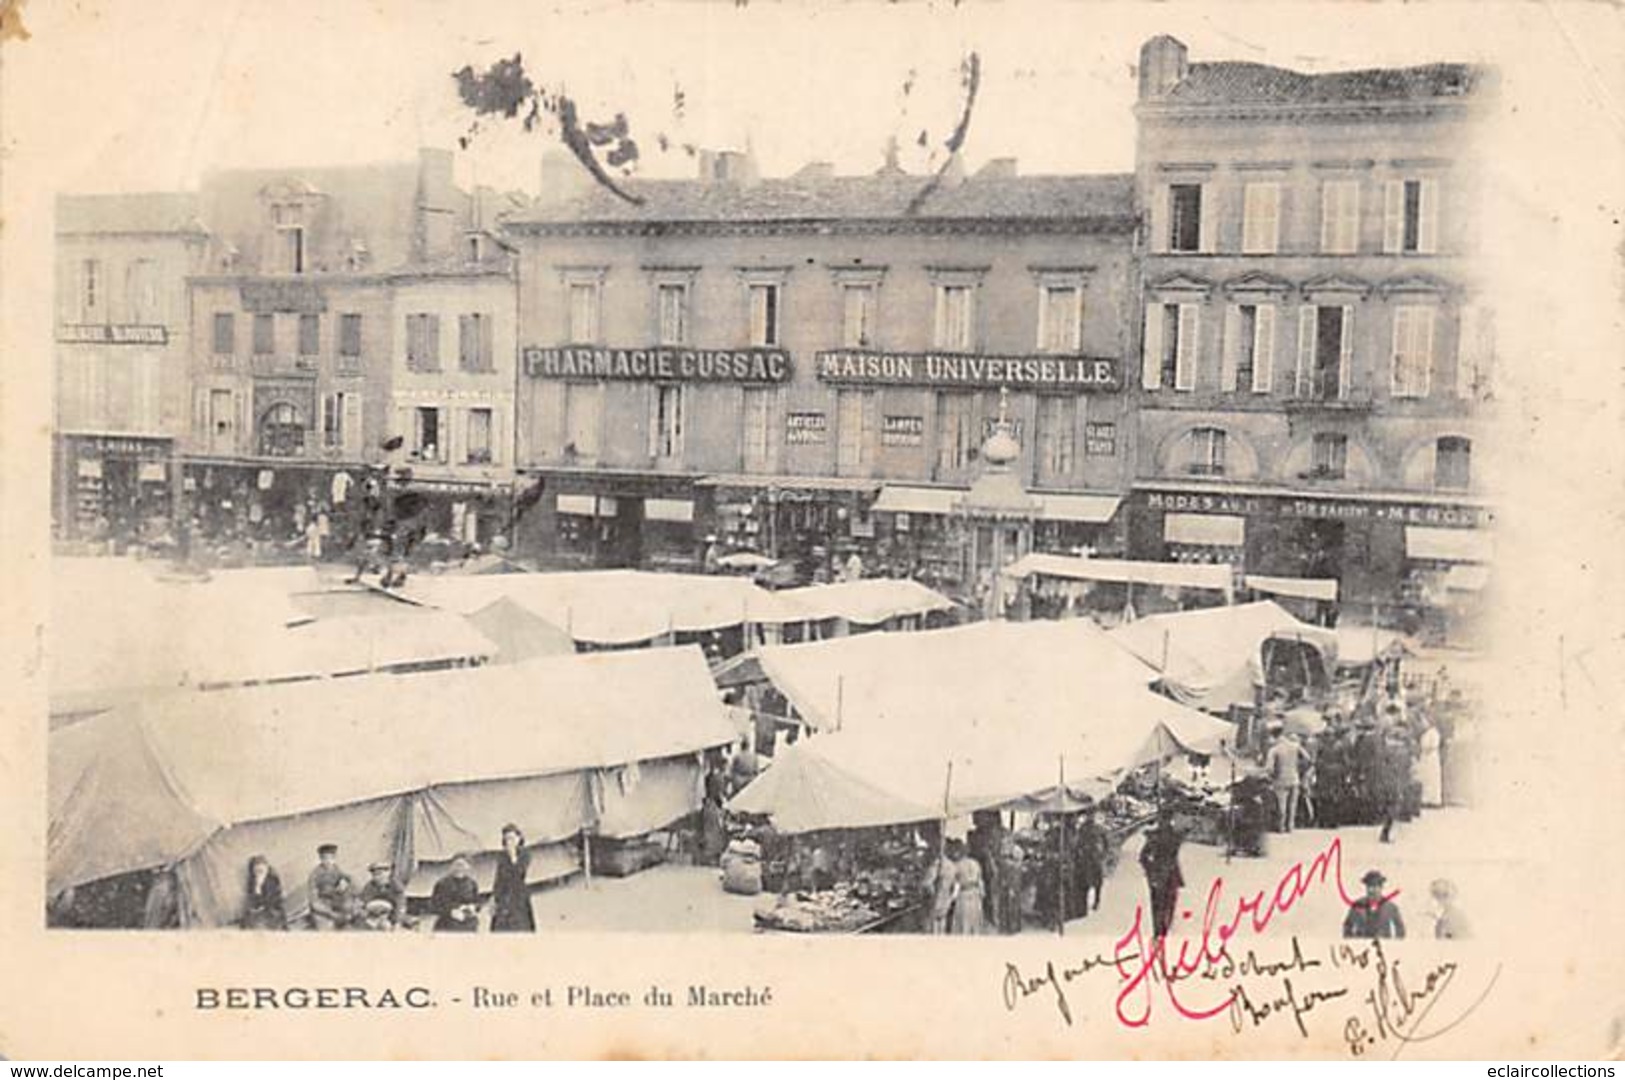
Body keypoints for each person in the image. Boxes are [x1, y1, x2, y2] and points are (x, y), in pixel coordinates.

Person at [1138, 806, 1185, 939]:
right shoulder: (1175, 836)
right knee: (1167, 902)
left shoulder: (1155, 836)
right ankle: (1162, 927)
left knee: (1158, 903)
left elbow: (1143, 857)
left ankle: (1159, 929)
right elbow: (1143, 857)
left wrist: (1150, 869)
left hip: (1159, 873)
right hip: (1169, 872)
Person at [490, 824, 536, 933]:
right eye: (507, 839)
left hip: (519, 894)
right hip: (504, 895)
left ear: (519, 838)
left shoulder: (525, 854)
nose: (509, 842)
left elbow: (519, 874)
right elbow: (498, 878)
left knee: (520, 925)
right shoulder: (501, 856)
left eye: (512, 838)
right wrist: (493, 897)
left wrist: (513, 856)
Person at [1343, 869, 1405, 939]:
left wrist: (1394, 946)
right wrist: (1353, 943)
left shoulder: (1391, 908)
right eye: (1370, 887)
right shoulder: (1357, 906)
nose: (1372, 890)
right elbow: (1347, 926)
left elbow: (1400, 929)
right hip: (1362, 947)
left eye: (1376, 887)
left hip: (1382, 947)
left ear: (1381, 888)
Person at [307, 843, 354, 931]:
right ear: (320, 859)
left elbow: (348, 878)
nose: (328, 861)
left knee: (349, 927)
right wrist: (330, 913)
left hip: (337, 905)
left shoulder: (336, 869)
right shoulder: (315, 875)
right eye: (325, 858)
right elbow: (314, 902)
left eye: (332, 858)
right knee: (327, 928)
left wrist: (345, 881)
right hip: (322, 909)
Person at [1265, 730, 1304, 833]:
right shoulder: (1295, 746)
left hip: (1280, 779)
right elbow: (1308, 759)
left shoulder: (1274, 750)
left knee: (1281, 805)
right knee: (1292, 804)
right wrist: (1299, 768)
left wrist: (1270, 776)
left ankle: (1281, 827)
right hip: (1294, 778)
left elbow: (1269, 768)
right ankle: (1290, 826)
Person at [430, 856, 481, 932]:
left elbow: (477, 902)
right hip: (447, 925)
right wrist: (450, 912)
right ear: (451, 866)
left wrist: (473, 907)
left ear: (468, 867)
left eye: (463, 865)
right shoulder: (442, 883)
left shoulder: (472, 883)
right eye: (457, 865)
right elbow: (434, 906)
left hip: (468, 924)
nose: (459, 868)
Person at [1073, 808, 1107, 917]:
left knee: (1096, 882)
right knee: (1087, 882)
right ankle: (1088, 903)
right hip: (1087, 858)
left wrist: (1103, 854)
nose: (1090, 818)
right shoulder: (1083, 829)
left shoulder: (1098, 829)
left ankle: (1096, 901)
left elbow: (1106, 842)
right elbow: (1077, 843)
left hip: (1093, 858)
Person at [241, 855, 287, 930]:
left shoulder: (272, 880)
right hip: (258, 911)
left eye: (261, 871)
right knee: (248, 919)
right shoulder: (252, 882)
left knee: (271, 921)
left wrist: (260, 888)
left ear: (267, 869)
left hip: (272, 910)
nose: (259, 874)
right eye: (257, 871)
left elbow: (272, 900)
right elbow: (253, 901)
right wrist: (257, 888)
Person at [950, 840, 986, 936]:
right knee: (975, 921)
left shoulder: (957, 865)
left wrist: (953, 898)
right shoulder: (975, 863)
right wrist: (982, 894)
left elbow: (956, 884)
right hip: (975, 894)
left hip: (964, 895)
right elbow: (980, 881)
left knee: (963, 922)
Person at [358, 861, 406, 929]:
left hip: (391, 916)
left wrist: (397, 922)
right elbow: (363, 902)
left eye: (380, 874)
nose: (377, 877)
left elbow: (400, 905)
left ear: (388, 873)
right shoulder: (369, 886)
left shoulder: (396, 886)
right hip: (373, 916)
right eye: (374, 875)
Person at [929, 843, 959, 935]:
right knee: (943, 923)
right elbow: (956, 885)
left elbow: (928, 882)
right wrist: (952, 898)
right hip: (947, 898)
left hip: (937, 897)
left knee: (934, 926)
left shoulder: (937, 864)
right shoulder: (953, 866)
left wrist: (931, 893)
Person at [1416, 720, 1444, 808]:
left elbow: (1433, 745)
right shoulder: (1424, 734)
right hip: (1425, 757)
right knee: (1426, 779)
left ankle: (1434, 801)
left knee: (1433, 778)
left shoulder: (1434, 732)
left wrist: (1427, 749)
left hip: (1431, 757)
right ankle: (1426, 799)